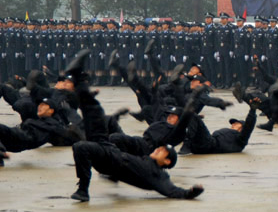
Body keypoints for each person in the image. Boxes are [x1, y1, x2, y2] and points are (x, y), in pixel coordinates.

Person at [66, 52, 204, 202]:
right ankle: (77, 76)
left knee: (81, 147)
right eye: (162, 148)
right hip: (112, 152)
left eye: (163, 151)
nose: (160, 148)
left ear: (167, 162)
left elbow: (172, 190)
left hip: (111, 162)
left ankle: (83, 190)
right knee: (95, 114)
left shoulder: (158, 175)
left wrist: (190, 193)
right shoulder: (155, 137)